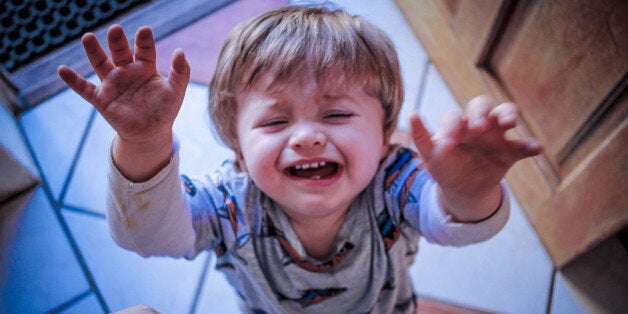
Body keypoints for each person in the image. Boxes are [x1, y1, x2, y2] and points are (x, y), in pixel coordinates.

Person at [57, 5, 541, 313]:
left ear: (385, 131)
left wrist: (468, 190)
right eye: (274, 122)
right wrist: (144, 143)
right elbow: (146, 237)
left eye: (335, 113)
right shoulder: (228, 202)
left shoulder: (396, 180)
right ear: (239, 149)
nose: (307, 137)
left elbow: (457, 224)